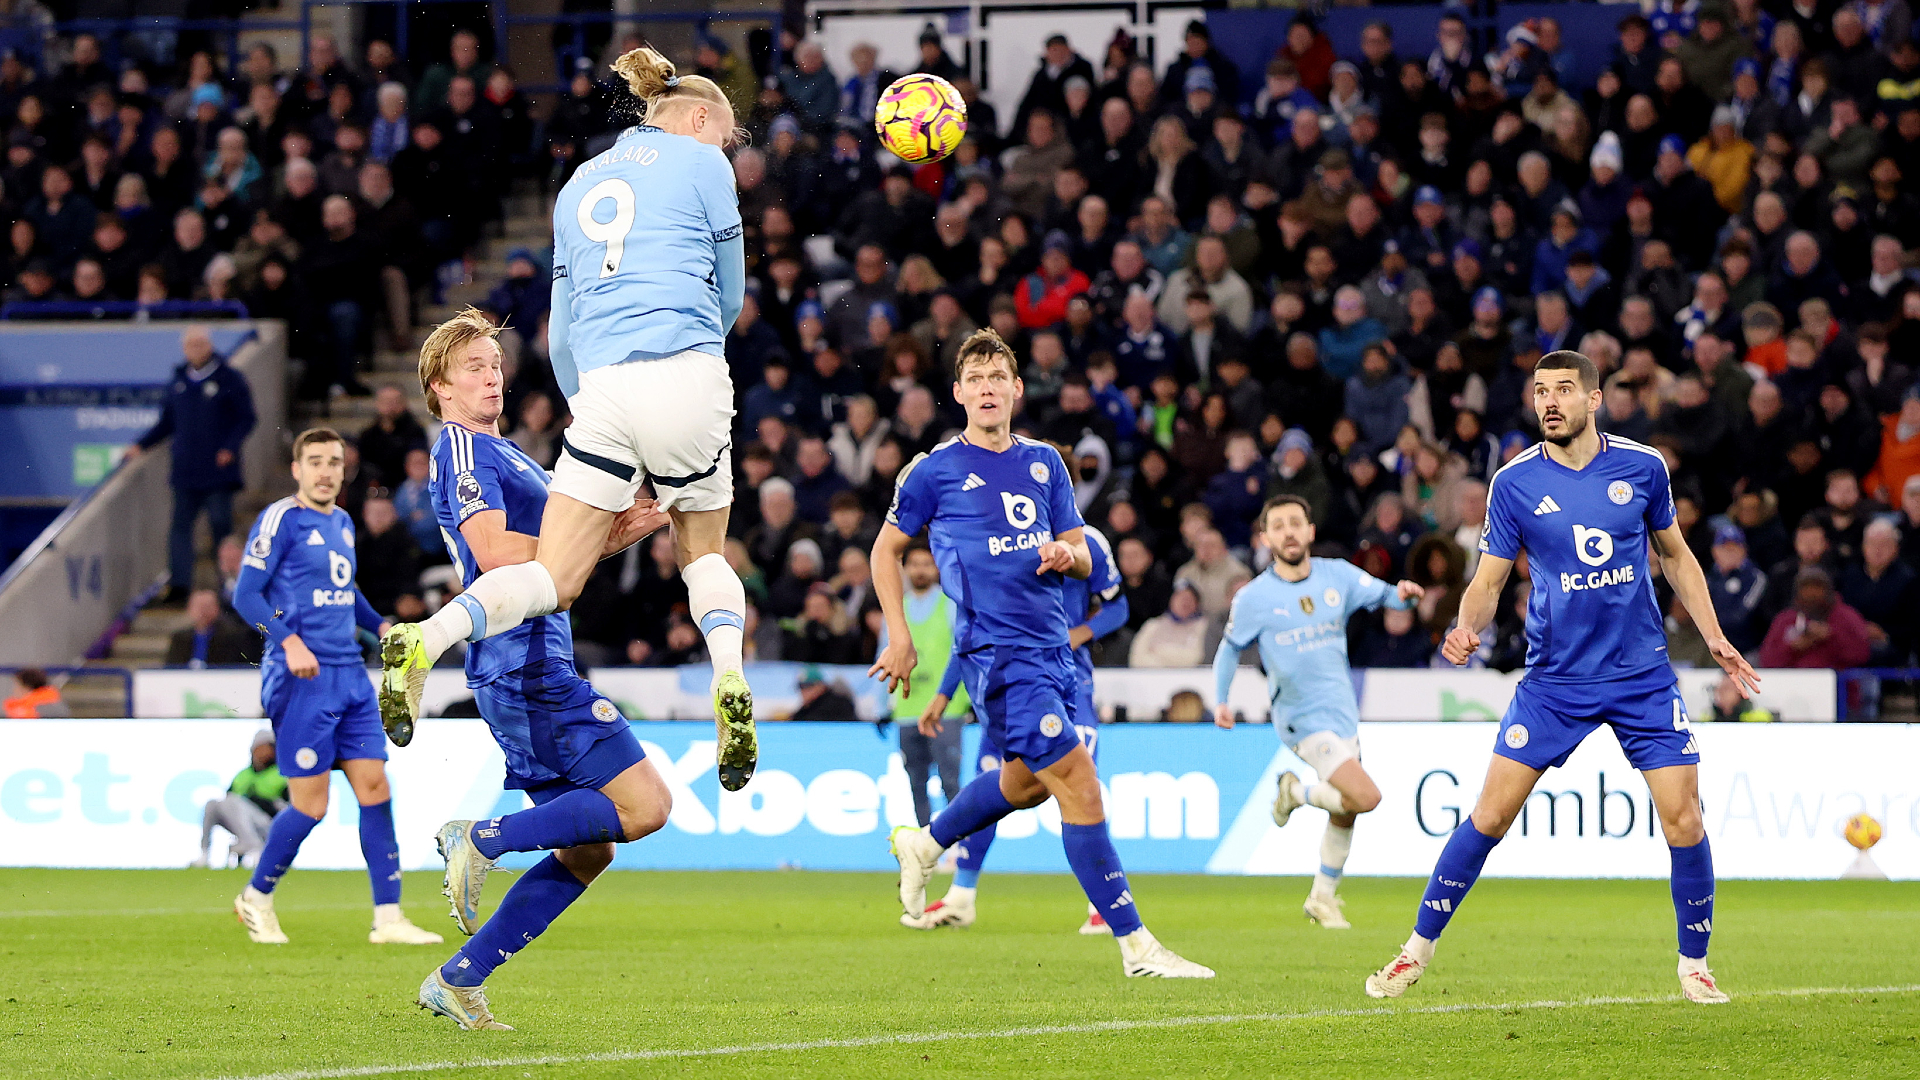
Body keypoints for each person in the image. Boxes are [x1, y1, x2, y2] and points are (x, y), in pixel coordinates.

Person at [380, 48, 757, 793]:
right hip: (686, 366)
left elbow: (558, 332)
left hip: (603, 389)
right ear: (703, 119)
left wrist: (592, 408)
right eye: (726, 136)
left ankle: (428, 636)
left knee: (555, 574)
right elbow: (731, 295)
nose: (726, 151)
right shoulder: (705, 165)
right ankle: (731, 678)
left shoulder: (576, 183)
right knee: (702, 551)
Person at [1363, 350, 1758, 1006]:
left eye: (1564, 390)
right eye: (1540, 391)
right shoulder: (1513, 484)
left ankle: (1695, 964)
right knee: (1488, 815)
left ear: (1594, 399)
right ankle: (1415, 951)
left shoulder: (1643, 466)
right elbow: (1487, 581)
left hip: (1641, 675)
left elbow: (1677, 557)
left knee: (1684, 818)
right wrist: (1467, 626)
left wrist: (1714, 636)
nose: (1549, 401)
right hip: (1554, 681)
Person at [869, 329, 1211, 978]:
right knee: (1079, 782)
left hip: (1054, 649)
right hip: (999, 655)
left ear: (1018, 389)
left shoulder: (1045, 465)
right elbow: (884, 551)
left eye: (999, 375)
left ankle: (926, 842)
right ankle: (1137, 947)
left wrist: (1065, 554)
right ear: (958, 394)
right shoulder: (934, 470)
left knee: (1024, 785)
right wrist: (901, 635)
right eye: (976, 378)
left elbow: (1082, 551)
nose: (988, 387)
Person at [412, 311, 674, 1031]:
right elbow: (496, 553)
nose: (491, 375)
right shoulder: (463, 451)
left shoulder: (518, 457)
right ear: (440, 385)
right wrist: (582, 543)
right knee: (648, 808)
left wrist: (615, 533)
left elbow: (559, 561)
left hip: (526, 663)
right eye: (473, 366)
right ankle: (482, 839)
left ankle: (459, 978)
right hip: (523, 664)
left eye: (495, 363)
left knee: (589, 850)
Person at [228, 428, 442, 948]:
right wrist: (289, 641)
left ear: (345, 470)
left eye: (334, 462)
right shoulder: (282, 519)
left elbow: (347, 594)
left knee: (375, 789)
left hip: (349, 674)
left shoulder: (344, 522)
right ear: (297, 468)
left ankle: (388, 918)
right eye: (315, 461)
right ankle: (256, 897)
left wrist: (382, 626)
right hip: (301, 676)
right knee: (312, 805)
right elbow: (246, 595)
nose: (326, 471)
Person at [1212, 496, 1424, 929]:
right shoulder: (1254, 597)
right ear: (1265, 538)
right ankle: (1296, 794)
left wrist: (1404, 596)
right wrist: (1221, 699)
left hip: (1342, 711)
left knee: (1346, 809)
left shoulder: (1337, 576)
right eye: (1278, 525)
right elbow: (1229, 650)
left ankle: (1322, 897)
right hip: (1299, 717)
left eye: (1296, 523)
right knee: (1366, 797)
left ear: (1310, 531)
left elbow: (1387, 596)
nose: (1288, 532)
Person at [908, 520, 1127, 934]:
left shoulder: (1086, 542)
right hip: (1003, 684)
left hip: (1067, 683)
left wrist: (1081, 632)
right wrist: (943, 693)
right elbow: (970, 629)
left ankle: (1101, 905)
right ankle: (961, 897)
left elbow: (1119, 606)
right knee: (990, 783)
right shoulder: (991, 540)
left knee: (1080, 787)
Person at [129, 326, 257, 604]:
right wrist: (141, 444)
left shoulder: (229, 379)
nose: (196, 350)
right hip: (186, 470)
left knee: (221, 524)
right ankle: (179, 585)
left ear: (210, 345)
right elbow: (167, 422)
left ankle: (229, 584)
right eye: (191, 345)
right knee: (180, 527)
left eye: (201, 344)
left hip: (218, 471)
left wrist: (230, 447)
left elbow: (246, 418)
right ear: (184, 349)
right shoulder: (178, 382)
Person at [879, 543, 969, 829]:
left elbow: (964, 653)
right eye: (915, 564)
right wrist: (883, 706)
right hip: (907, 709)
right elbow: (884, 655)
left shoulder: (950, 605)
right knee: (916, 782)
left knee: (950, 778)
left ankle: (957, 844)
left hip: (946, 710)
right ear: (905, 569)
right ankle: (924, 840)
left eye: (926, 564)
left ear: (937, 568)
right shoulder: (896, 610)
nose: (920, 570)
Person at [193, 728, 286, 869]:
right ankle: (204, 853)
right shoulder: (243, 775)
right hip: (241, 823)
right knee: (213, 804)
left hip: (267, 824)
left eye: (267, 748)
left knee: (234, 801)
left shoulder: (281, 775)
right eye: (259, 748)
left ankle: (254, 846)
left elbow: (288, 808)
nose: (262, 753)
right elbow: (228, 802)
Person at [166, 588, 258, 666]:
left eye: (207, 606)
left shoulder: (232, 636)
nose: (203, 612)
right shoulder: (179, 638)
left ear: (217, 609)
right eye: (199, 607)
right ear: (189, 609)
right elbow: (172, 667)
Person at [4, 668, 69, 717]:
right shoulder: (50, 704)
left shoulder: (45, 709)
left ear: (27, 687)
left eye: (17, 686)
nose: (14, 690)